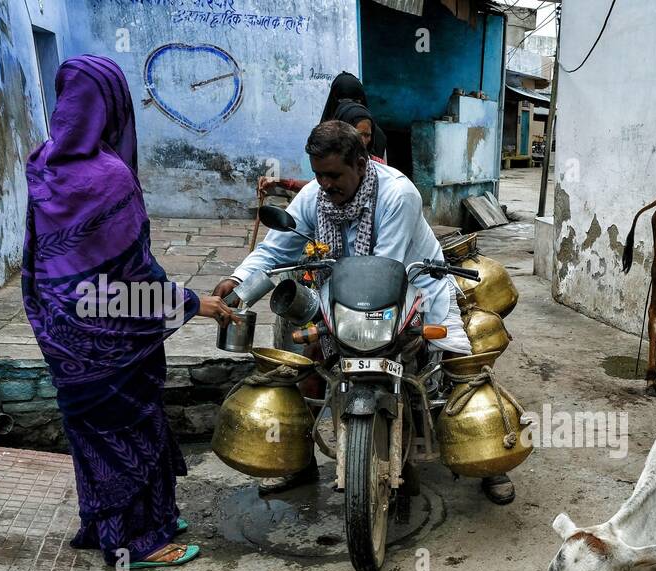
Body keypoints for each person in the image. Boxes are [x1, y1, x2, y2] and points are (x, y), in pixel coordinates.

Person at [213, 121, 516, 505]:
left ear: (360, 163)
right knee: (302, 364)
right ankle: (296, 457)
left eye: (334, 174)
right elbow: (276, 251)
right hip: (344, 296)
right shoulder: (313, 198)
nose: (325, 183)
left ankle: (489, 459)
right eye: (318, 174)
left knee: (459, 368)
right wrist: (236, 281)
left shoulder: (397, 194)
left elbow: (385, 267)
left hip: (412, 285)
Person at [23, 55, 239, 569]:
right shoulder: (109, 177)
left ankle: (113, 524)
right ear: (114, 106)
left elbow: (42, 261)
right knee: (129, 431)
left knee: (95, 434)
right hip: (112, 335)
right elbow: (131, 279)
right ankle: (137, 542)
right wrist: (192, 304)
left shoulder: (44, 162)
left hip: (63, 330)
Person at [321, 71, 388, 161]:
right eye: (343, 100)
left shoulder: (377, 137)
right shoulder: (321, 137)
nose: (363, 142)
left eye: (356, 101)